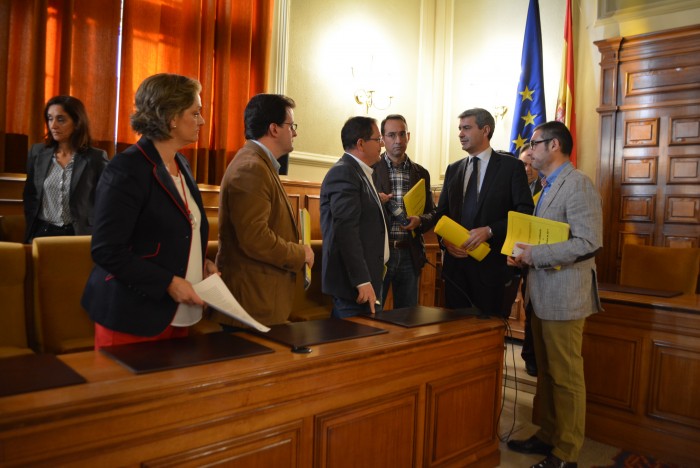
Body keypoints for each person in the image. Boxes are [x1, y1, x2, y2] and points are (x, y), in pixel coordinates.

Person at [81, 73, 217, 349]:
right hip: (133, 314)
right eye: (196, 112)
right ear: (172, 118)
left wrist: (200, 264)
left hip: (176, 313)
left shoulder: (183, 164)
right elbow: (106, 250)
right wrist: (168, 282)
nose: (202, 120)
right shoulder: (127, 169)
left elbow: (179, 231)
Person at [507, 121, 603, 468]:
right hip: (542, 292)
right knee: (546, 373)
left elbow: (588, 242)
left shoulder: (578, 185)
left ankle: (566, 452)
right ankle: (548, 434)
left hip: (565, 297)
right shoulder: (545, 187)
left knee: (566, 376)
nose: (530, 150)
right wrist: (520, 254)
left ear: (555, 146)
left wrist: (536, 255)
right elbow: (545, 236)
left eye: (536, 143)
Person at [420, 108, 533, 315]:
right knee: (455, 334)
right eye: (459, 129)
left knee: (488, 335)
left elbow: (524, 213)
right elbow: (441, 214)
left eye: (466, 128)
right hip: (456, 270)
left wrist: (490, 230)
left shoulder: (511, 167)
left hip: (491, 269)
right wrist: (446, 242)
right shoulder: (454, 169)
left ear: (485, 130)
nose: (460, 134)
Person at [214, 94, 313, 327]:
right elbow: (255, 238)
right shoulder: (251, 167)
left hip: (261, 298)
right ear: (274, 129)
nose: (295, 133)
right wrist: (301, 254)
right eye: (291, 126)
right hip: (251, 303)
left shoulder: (259, 163)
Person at [320, 116, 388, 317]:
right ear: (360, 143)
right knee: (356, 343)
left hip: (368, 279)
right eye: (377, 139)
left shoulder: (362, 172)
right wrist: (362, 280)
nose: (382, 145)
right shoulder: (344, 173)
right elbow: (346, 231)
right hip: (355, 288)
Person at [23, 95, 109, 243]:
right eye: (50, 118)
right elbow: (30, 195)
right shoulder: (37, 153)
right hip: (42, 233)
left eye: (61, 119)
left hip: (79, 235)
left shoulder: (95, 158)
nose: (53, 125)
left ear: (77, 123)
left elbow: (105, 200)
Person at [372, 114, 434, 309]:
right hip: (380, 253)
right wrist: (377, 203)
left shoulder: (421, 172)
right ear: (382, 139)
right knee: (374, 314)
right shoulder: (370, 169)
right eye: (391, 135)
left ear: (408, 136)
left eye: (401, 134)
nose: (397, 140)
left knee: (407, 318)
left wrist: (420, 221)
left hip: (409, 252)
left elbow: (432, 213)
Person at [519, 142, 543, 377]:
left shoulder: (544, 188)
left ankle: (532, 356)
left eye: (530, 163)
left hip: (537, 258)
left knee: (533, 306)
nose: (526, 168)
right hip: (511, 255)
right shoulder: (512, 186)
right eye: (522, 164)